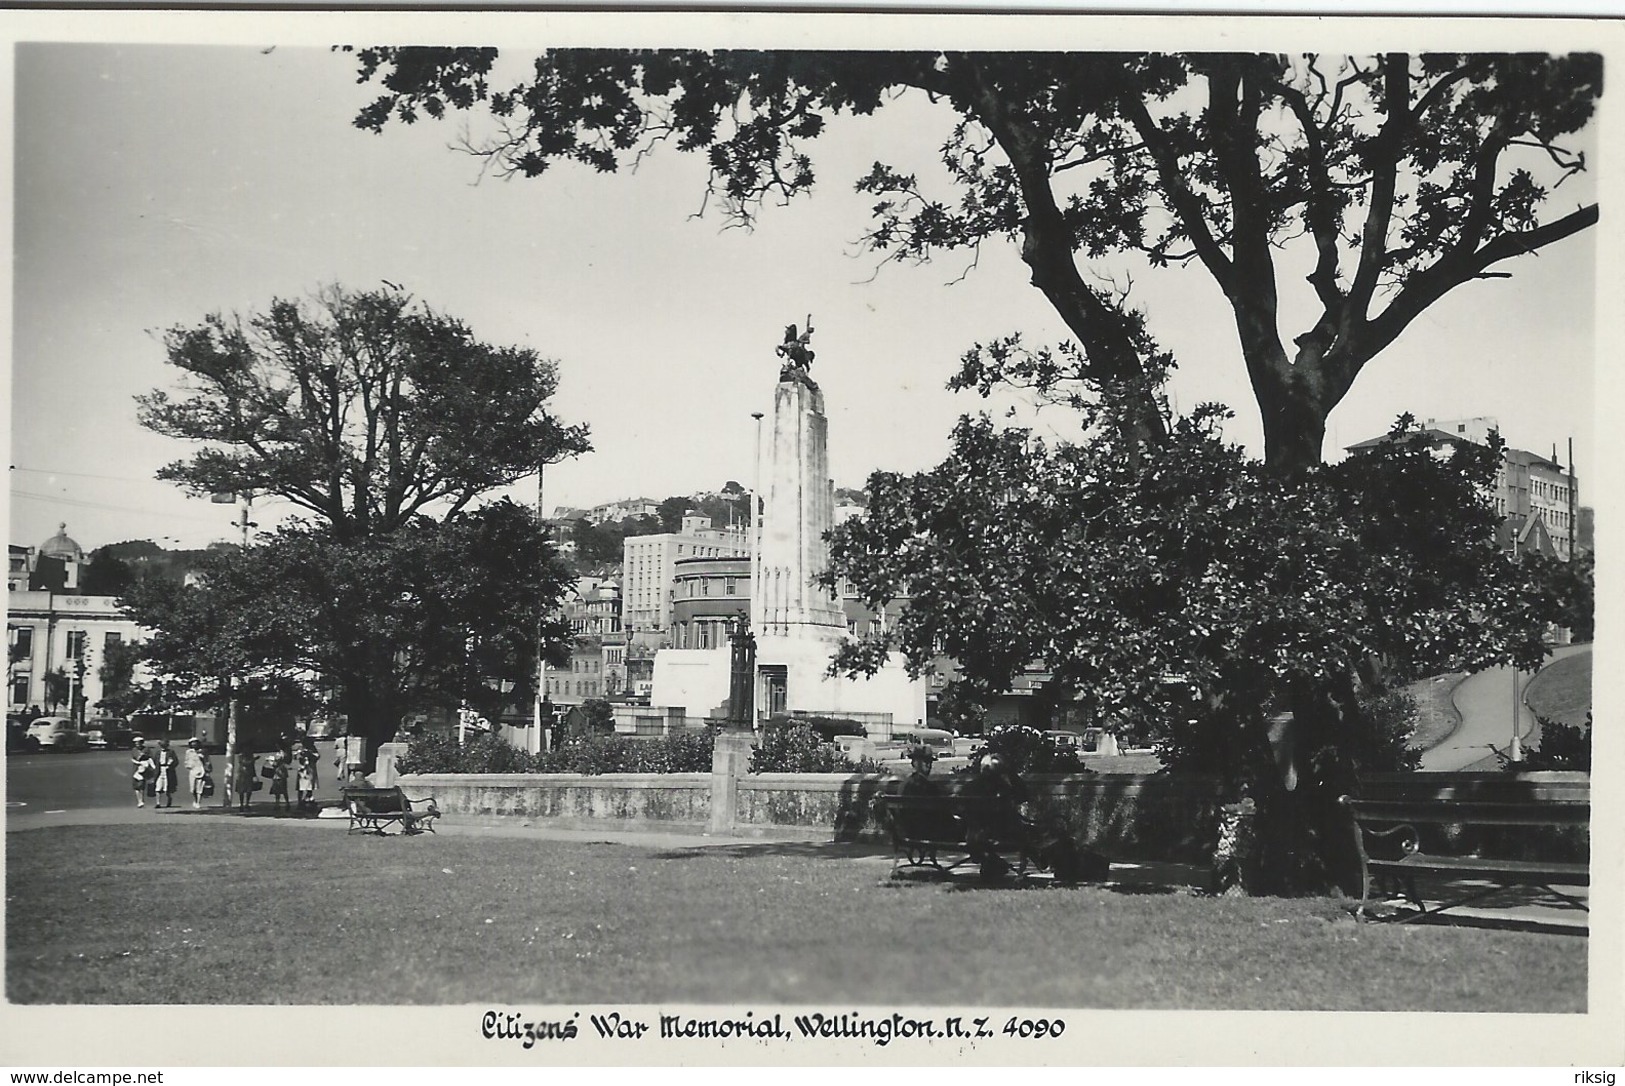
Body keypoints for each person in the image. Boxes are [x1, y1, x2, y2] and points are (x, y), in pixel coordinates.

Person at [184, 738, 212, 809]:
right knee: (192, 789)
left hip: (201, 770)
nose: (194, 744)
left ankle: (198, 802)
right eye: (192, 743)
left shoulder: (203, 751)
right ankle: (195, 800)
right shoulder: (189, 752)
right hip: (193, 771)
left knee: (199, 788)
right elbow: (186, 760)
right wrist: (188, 766)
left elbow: (207, 761)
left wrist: (207, 768)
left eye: (195, 743)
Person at [153, 739, 179, 809]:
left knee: (167, 788)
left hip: (168, 771)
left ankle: (169, 800)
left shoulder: (171, 752)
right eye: (162, 745)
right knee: (157, 788)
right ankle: (158, 803)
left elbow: (176, 761)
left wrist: (170, 765)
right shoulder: (158, 753)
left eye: (164, 745)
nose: (163, 746)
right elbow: (154, 761)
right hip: (160, 770)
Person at [294, 739, 320, 812]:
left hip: (310, 769)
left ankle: (308, 800)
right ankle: (300, 802)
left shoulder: (313, 750)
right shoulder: (301, 749)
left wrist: (310, 753)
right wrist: (300, 754)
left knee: (309, 786)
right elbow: (295, 757)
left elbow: (317, 757)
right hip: (302, 770)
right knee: (300, 787)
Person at [131, 741, 155, 809]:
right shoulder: (134, 750)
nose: (137, 745)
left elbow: (150, 758)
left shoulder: (146, 749)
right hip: (137, 769)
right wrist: (138, 762)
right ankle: (139, 801)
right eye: (136, 744)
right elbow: (133, 759)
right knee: (137, 786)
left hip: (146, 769)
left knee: (144, 785)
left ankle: (142, 800)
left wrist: (152, 766)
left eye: (138, 743)